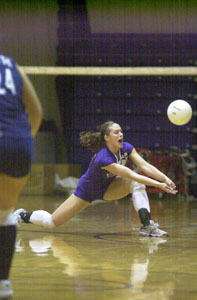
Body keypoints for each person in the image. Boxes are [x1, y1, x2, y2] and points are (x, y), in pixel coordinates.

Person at [14, 121, 177, 238]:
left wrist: (165, 178)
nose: (120, 134)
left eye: (121, 131)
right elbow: (131, 173)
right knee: (51, 222)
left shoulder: (126, 147)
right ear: (106, 137)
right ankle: (22, 215)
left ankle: (147, 225)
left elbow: (144, 166)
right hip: (86, 192)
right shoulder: (103, 158)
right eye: (116, 132)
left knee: (137, 184)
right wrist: (159, 185)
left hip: (109, 188)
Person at [0, 54, 42, 299]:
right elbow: (35, 111)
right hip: (17, 142)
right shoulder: (9, 63)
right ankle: (3, 284)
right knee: (4, 213)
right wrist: (22, 144)